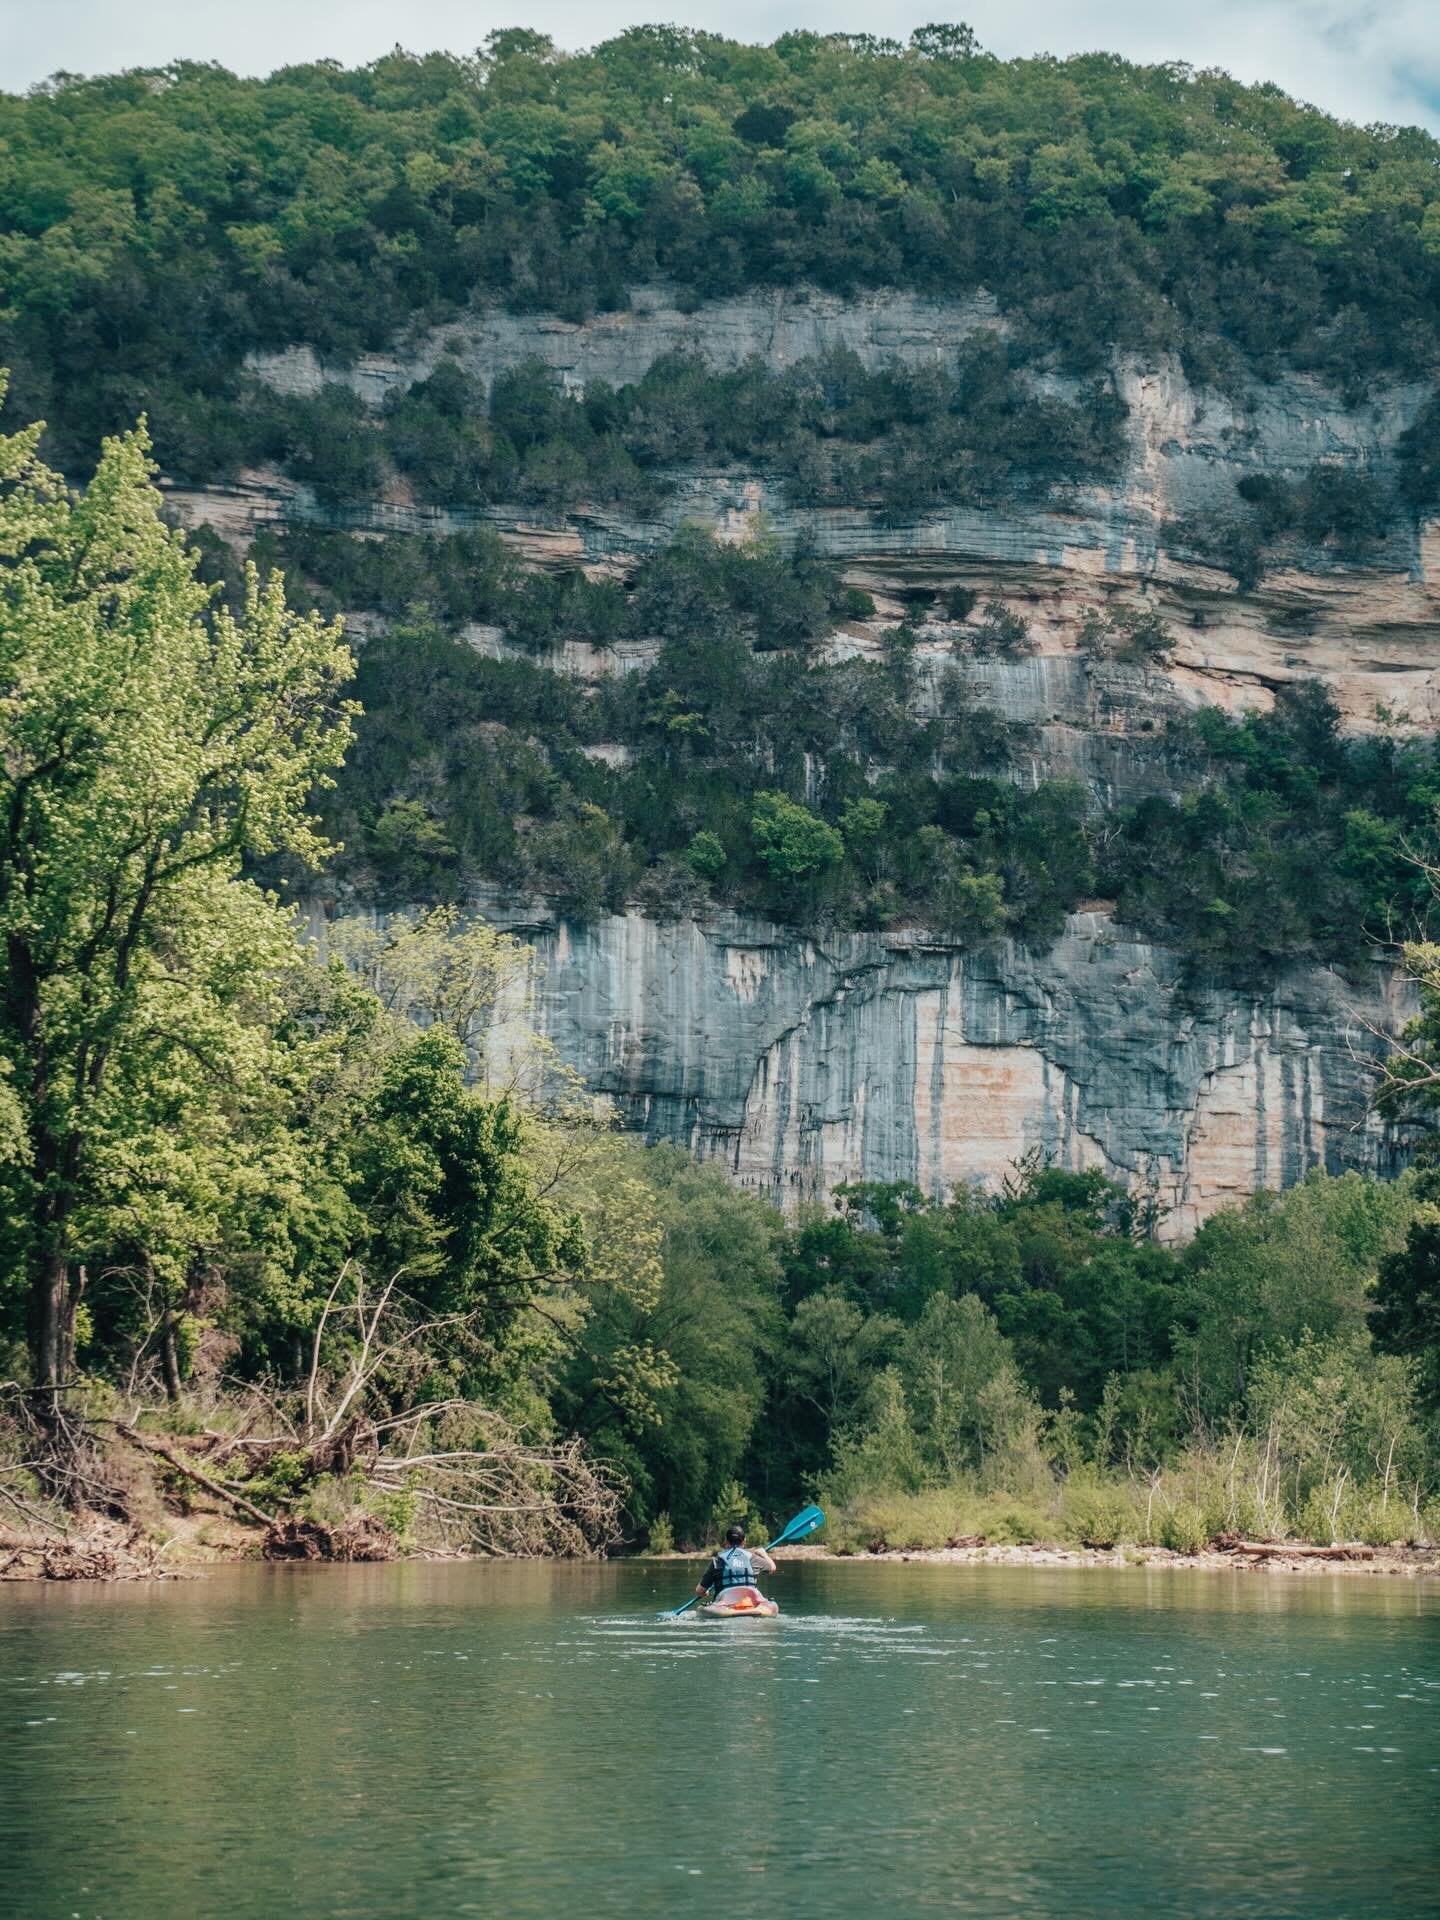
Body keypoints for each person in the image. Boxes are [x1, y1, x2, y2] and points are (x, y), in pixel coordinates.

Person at [696, 1523, 775, 1604]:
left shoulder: (718, 1560)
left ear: (726, 1542)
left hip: (724, 1604)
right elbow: (772, 1568)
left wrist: (704, 1593)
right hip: (750, 1603)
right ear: (744, 1541)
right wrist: (764, 1554)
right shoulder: (753, 1558)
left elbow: (699, 1591)